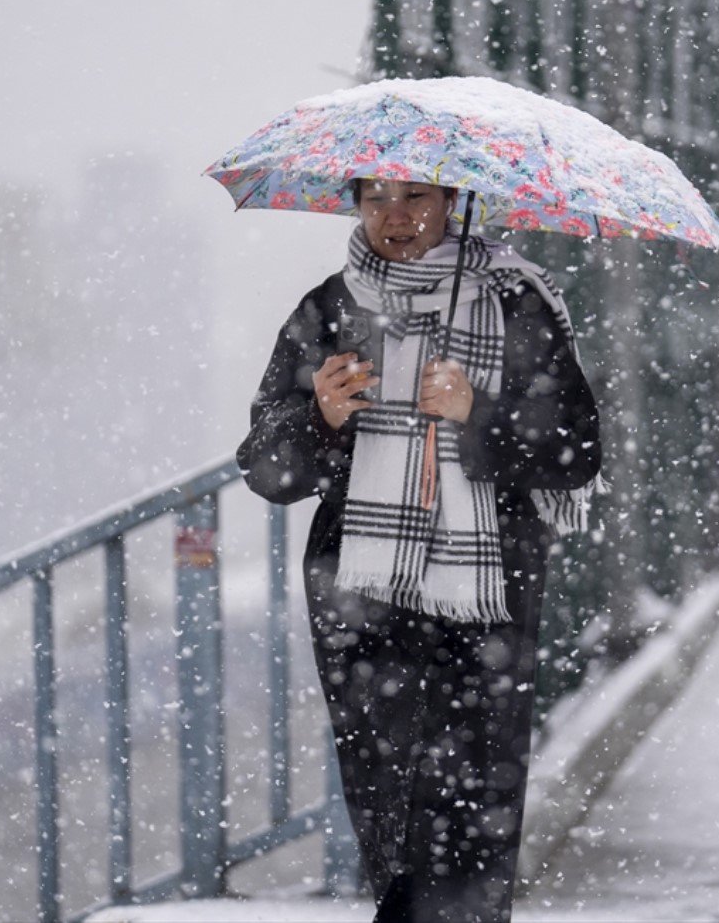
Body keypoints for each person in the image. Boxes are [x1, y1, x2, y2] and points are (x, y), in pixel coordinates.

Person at [238, 177, 602, 923]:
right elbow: (265, 469)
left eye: (414, 196)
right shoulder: (328, 310)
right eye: (374, 198)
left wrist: (481, 415)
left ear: (453, 202)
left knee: (473, 803)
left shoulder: (515, 302)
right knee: (388, 798)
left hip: (489, 593)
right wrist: (320, 417)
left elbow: (577, 450)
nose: (394, 216)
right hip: (359, 597)